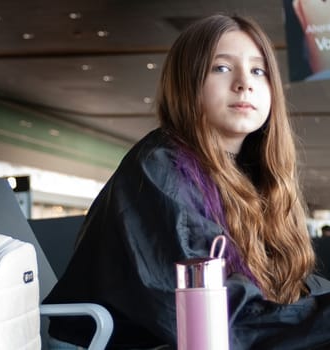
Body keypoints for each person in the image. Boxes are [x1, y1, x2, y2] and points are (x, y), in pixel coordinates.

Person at [44, 14, 330, 350]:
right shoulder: (160, 165)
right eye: (221, 68)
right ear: (187, 82)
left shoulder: (255, 172)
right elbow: (204, 313)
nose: (244, 83)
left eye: (258, 70)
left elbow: (287, 288)